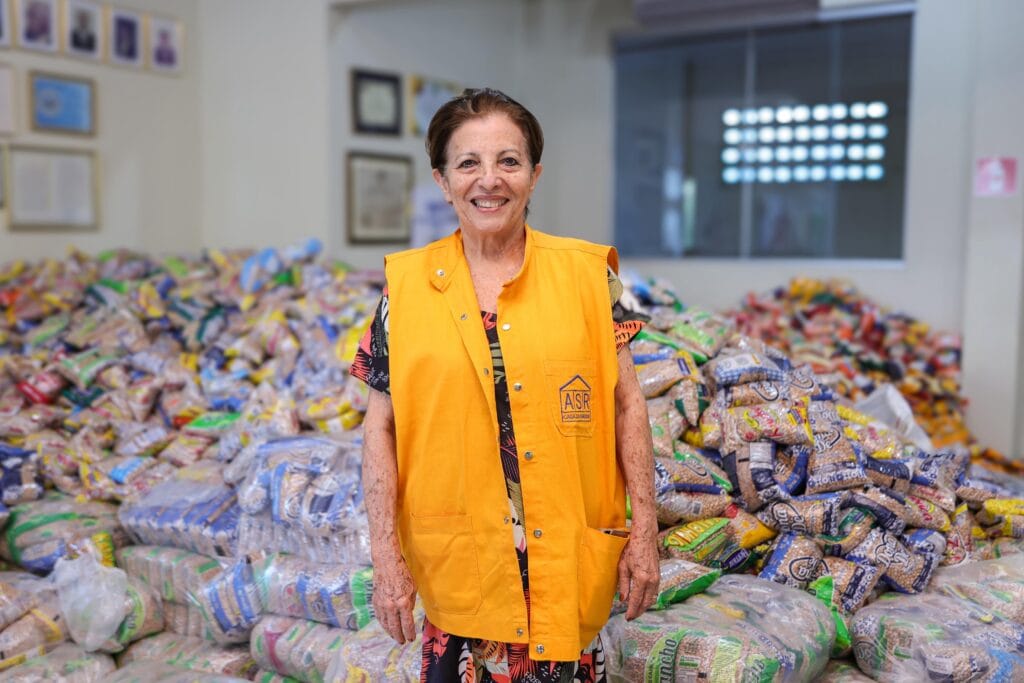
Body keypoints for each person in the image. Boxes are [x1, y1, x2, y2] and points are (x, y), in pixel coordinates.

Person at [352, 88, 659, 683]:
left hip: (564, 563)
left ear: (534, 175)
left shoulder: (589, 276)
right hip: (459, 564)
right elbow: (379, 428)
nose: (489, 180)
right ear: (443, 182)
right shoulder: (405, 289)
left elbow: (629, 406)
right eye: (468, 163)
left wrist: (645, 533)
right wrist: (385, 557)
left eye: (509, 161)